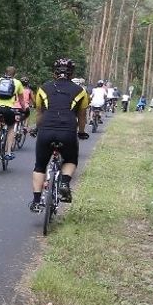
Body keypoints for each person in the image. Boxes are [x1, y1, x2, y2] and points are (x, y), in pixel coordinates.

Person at [29, 57, 89, 212]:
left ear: (54, 72)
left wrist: (37, 128)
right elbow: (82, 117)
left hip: (46, 129)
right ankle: (63, 182)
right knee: (70, 159)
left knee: (40, 166)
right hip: (67, 131)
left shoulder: (43, 88)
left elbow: (39, 113)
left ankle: (36, 202)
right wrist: (81, 132)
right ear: (71, 73)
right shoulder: (80, 91)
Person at [0, 65, 26, 164]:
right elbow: (21, 100)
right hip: (8, 109)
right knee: (11, 127)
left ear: (5, 72)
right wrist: (23, 109)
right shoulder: (17, 83)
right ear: (14, 74)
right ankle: (8, 152)